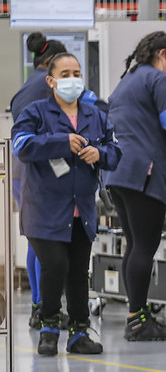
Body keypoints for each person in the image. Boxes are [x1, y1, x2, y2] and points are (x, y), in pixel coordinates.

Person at [11, 52, 121, 356]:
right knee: (55, 265)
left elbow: (115, 150)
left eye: (76, 73)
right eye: (65, 74)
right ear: (51, 80)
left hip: (81, 208)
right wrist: (60, 142)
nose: (72, 79)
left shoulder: (94, 115)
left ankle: (79, 333)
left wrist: (100, 154)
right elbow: (21, 146)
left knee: (78, 270)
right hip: (43, 208)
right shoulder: (36, 112)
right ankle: (48, 327)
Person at [104, 31, 166, 341]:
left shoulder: (128, 80)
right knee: (145, 246)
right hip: (143, 173)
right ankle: (138, 323)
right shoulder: (158, 79)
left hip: (118, 172)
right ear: (163, 54)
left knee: (134, 244)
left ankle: (136, 316)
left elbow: (142, 128)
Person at [9, 33, 67, 329]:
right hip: (36, 170)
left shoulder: (29, 85)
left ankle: (39, 304)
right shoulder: (45, 87)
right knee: (41, 239)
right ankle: (41, 306)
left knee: (36, 238)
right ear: (52, 63)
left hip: (23, 170)